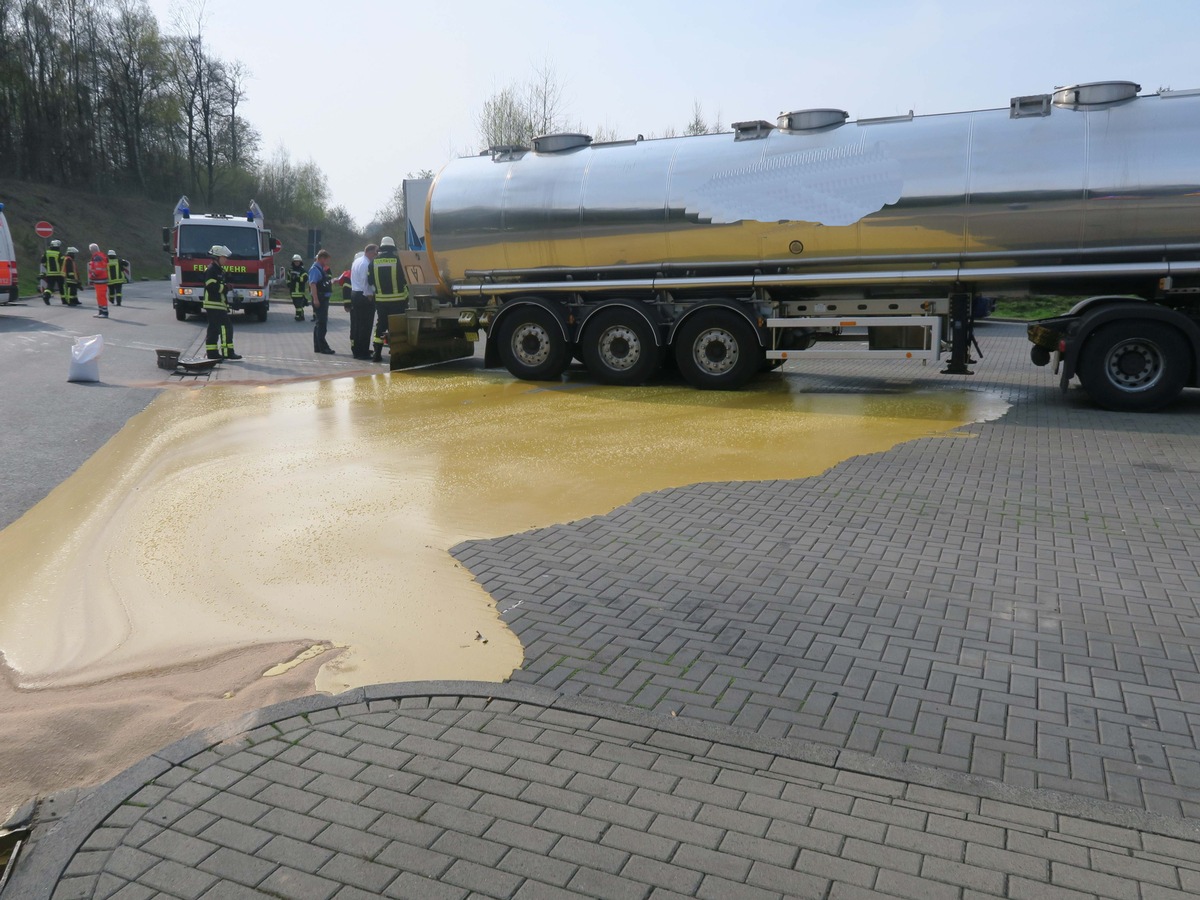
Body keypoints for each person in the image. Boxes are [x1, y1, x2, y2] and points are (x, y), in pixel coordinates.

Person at [368, 236, 409, 363]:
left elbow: (370, 281)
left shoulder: (373, 263)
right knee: (396, 326)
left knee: (381, 325)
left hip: (381, 301)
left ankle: (377, 353)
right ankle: (396, 352)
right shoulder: (398, 261)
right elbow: (405, 280)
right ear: (392, 247)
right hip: (398, 301)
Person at [203, 244, 243, 360]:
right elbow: (211, 287)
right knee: (223, 327)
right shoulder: (211, 270)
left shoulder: (219, 270)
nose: (226, 260)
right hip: (213, 304)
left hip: (218, 304)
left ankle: (217, 353)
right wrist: (226, 287)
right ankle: (221, 353)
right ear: (217, 257)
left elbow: (219, 285)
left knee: (216, 329)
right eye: (224, 257)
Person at [349, 243, 378, 360]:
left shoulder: (357, 261)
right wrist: (370, 295)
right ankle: (362, 352)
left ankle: (358, 349)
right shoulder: (366, 264)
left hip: (355, 293)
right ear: (370, 252)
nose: (376, 255)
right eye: (376, 252)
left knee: (357, 324)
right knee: (365, 325)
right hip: (363, 295)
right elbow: (365, 281)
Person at [309, 249, 335, 354]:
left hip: (322, 298)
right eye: (326, 260)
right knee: (322, 323)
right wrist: (315, 299)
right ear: (321, 259)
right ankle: (323, 347)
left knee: (319, 323)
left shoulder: (320, 268)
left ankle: (318, 347)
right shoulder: (315, 269)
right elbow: (313, 284)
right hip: (320, 298)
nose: (327, 262)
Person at [87, 243, 109, 318]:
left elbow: (98, 270)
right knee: (99, 296)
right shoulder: (100, 256)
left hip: (100, 280)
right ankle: (101, 311)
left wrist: (92, 275)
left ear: (92, 250)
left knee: (101, 296)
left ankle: (104, 312)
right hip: (101, 280)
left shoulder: (97, 258)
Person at [286, 253, 309, 322]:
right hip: (293, 290)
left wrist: (297, 278)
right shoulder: (290, 270)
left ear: (300, 262)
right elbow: (288, 278)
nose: (297, 262)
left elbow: (305, 278)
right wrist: (289, 283)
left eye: (298, 261)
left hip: (300, 290)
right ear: (293, 262)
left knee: (298, 304)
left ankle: (298, 315)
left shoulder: (302, 271)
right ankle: (301, 315)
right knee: (296, 304)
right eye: (295, 261)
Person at [41, 239, 64, 305]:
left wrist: (47, 267)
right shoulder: (59, 253)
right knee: (61, 287)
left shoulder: (47, 252)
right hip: (59, 273)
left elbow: (42, 261)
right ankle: (64, 300)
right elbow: (62, 263)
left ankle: (46, 296)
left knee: (50, 286)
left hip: (50, 273)